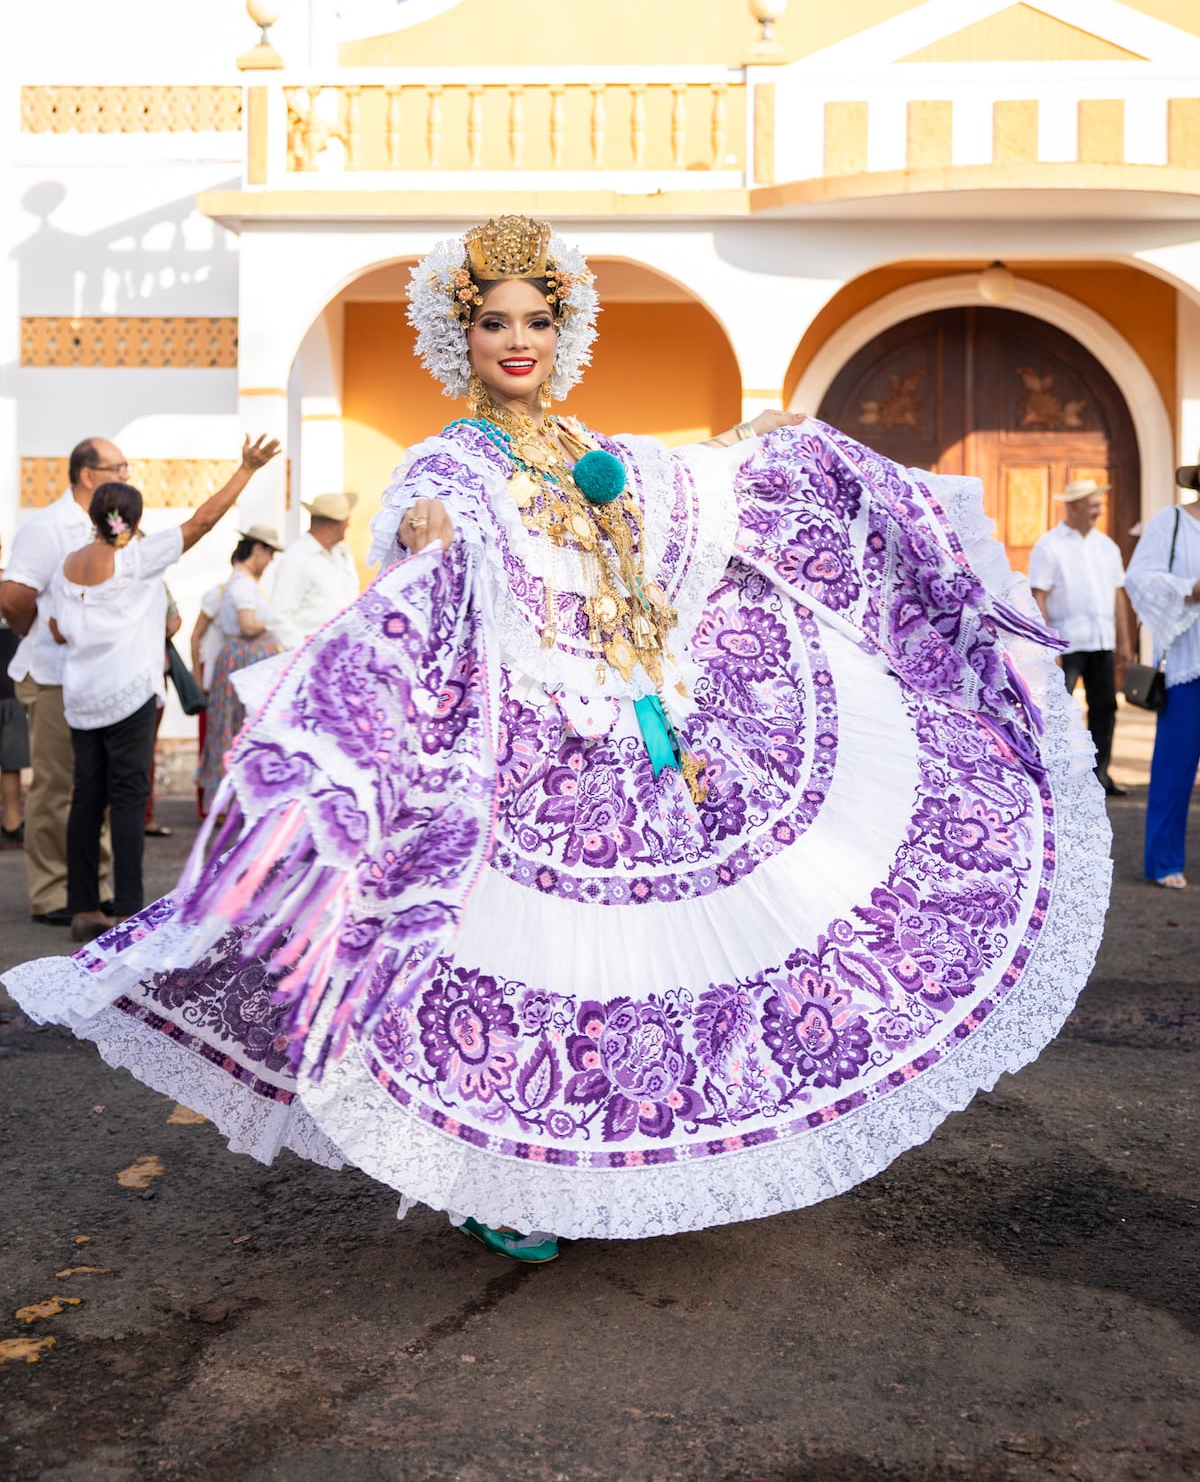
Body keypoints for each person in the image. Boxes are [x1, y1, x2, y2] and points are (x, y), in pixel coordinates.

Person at [3, 216, 1112, 1266]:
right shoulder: (449, 461)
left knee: (633, 965)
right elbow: (424, 534)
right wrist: (427, 536)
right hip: (525, 756)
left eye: (537, 321)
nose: (519, 342)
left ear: (562, 329)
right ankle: (493, 1184)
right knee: (508, 960)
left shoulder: (584, 443)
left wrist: (752, 450)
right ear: (462, 334)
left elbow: (670, 490)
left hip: (635, 735)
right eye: (495, 322)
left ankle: (602, 1164)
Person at [49, 438, 279, 943]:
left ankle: (83, 906)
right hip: (130, 696)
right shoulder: (137, 560)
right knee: (129, 798)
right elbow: (202, 520)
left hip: (82, 699)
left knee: (86, 798)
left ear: (95, 515)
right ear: (132, 518)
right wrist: (245, 469)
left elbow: (57, 630)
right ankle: (129, 907)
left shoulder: (69, 567)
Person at [0, 437, 124, 923]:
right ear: (87, 474)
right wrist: (38, 633)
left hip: (103, 674)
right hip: (53, 675)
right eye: (119, 467)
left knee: (100, 783)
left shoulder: (114, 525)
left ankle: (92, 886)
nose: (127, 476)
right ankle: (52, 891)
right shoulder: (48, 526)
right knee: (57, 785)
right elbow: (12, 596)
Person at [1029, 480, 1135, 798]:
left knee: (1104, 708)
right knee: (1060, 712)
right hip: (1067, 643)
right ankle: (1058, 777)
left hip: (1101, 641)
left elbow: (1118, 596)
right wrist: (1048, 645)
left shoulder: (1107, 547)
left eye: (1099, 505)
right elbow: (1039, 596)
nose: (1099, 511)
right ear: (1073, 508)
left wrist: (1125, 641)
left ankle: (1098, 775)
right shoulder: (1049, 546)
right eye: (1093, 505)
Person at [1124, 455, 1200, 889]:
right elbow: (1140, 578)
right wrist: (1189, 589)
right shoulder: (1170, 521)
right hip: (1190, 662)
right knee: (1175, 767)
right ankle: (1164, 860)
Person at [194, 525, 284, 804]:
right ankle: (227, 800)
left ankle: (229, 800)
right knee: (234, 730)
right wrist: (278, 621)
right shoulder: (243, 583)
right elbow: (247, 626)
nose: (270, 562)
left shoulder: (241, 582)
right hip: (243, 659)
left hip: (240, 658)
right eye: (269, 554)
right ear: (258, 550)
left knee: (231, 729)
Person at [268, 493, 360, 651]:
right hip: (313, 659)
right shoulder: (297, 557)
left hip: (343, 653)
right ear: (333, 523)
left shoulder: (342, 555)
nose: (348, 525)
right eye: (346, 520)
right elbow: (278, 618)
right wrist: (306, 649)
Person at [143, 586, 183, 840]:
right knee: (143, 749)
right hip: (143, 673)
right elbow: (173, 621)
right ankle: (142, 815)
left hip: (151, 673)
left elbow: (174, 621)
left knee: (145, 748)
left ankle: (143, 814)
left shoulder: (157, 581)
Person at [0, 535, 31, 851]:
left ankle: (11, 823)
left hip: (9, 689)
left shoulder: (12, 589)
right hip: (9, 687)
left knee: (11, 762)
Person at [189, 580, 227, 818]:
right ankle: (206, 803)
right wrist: (198, 676)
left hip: (227, 676)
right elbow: (196, 636)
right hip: (210, 675)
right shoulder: (217, 595)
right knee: (209, 740)